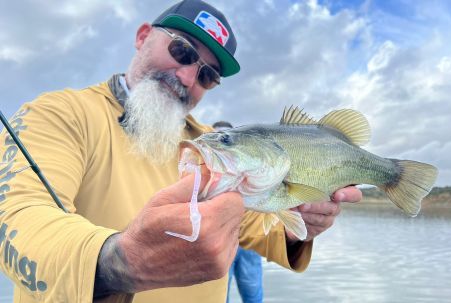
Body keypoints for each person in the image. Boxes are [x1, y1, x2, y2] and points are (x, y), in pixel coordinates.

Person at [0, 1, 362, 302]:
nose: (188, 77)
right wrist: (121, 263)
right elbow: (16, 220)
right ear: (143, 36)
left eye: (207, 76)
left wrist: (302, 223)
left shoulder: (214, 147)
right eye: (182, 51)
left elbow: (258, 224)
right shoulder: (59, 114)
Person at [212, 121, 264, 303]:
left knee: (253, 294)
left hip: (250, 244)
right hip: (220, 244)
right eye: (216, 137)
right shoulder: (208, 173)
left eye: (226, 139)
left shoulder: (251, 167)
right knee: (220, 296)